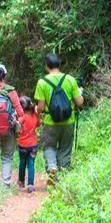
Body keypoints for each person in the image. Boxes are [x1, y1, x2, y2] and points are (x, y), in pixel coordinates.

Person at [34, 53, 84, 184]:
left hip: (50, 122)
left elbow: (41, 106)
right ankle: (63, 179)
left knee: (49, 146)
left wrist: (37, 112)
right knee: (65, 148)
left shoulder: (42, 82)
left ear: (46, 66)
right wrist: (80, 93)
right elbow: (79, 102)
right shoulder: (70, 80)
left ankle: (52, 167)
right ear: (59, 64)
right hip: (69, 121)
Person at [17, 96, 40, 192]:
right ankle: (31, 184)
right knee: (31, 164)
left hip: (22, 144)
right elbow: (38, 124)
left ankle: (21, 182)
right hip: (33, 144)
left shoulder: (21, 118)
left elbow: (17, 127)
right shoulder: (35, 116)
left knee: (22, 163)